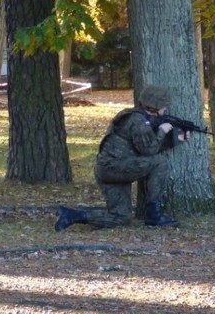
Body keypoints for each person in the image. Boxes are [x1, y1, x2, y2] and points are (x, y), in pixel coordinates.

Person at [55, 85, 190, 231]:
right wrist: (163, 131)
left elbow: (143, 145)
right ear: (154, 107)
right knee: (160, 162)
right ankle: (154, 214)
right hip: (115, 168)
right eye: (164, 106)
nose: (165, 109)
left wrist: (175, 139)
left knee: (121, 218)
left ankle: (71, 215)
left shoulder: (132, 116)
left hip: (109, 169)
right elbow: (149, 151)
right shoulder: (138, 121)